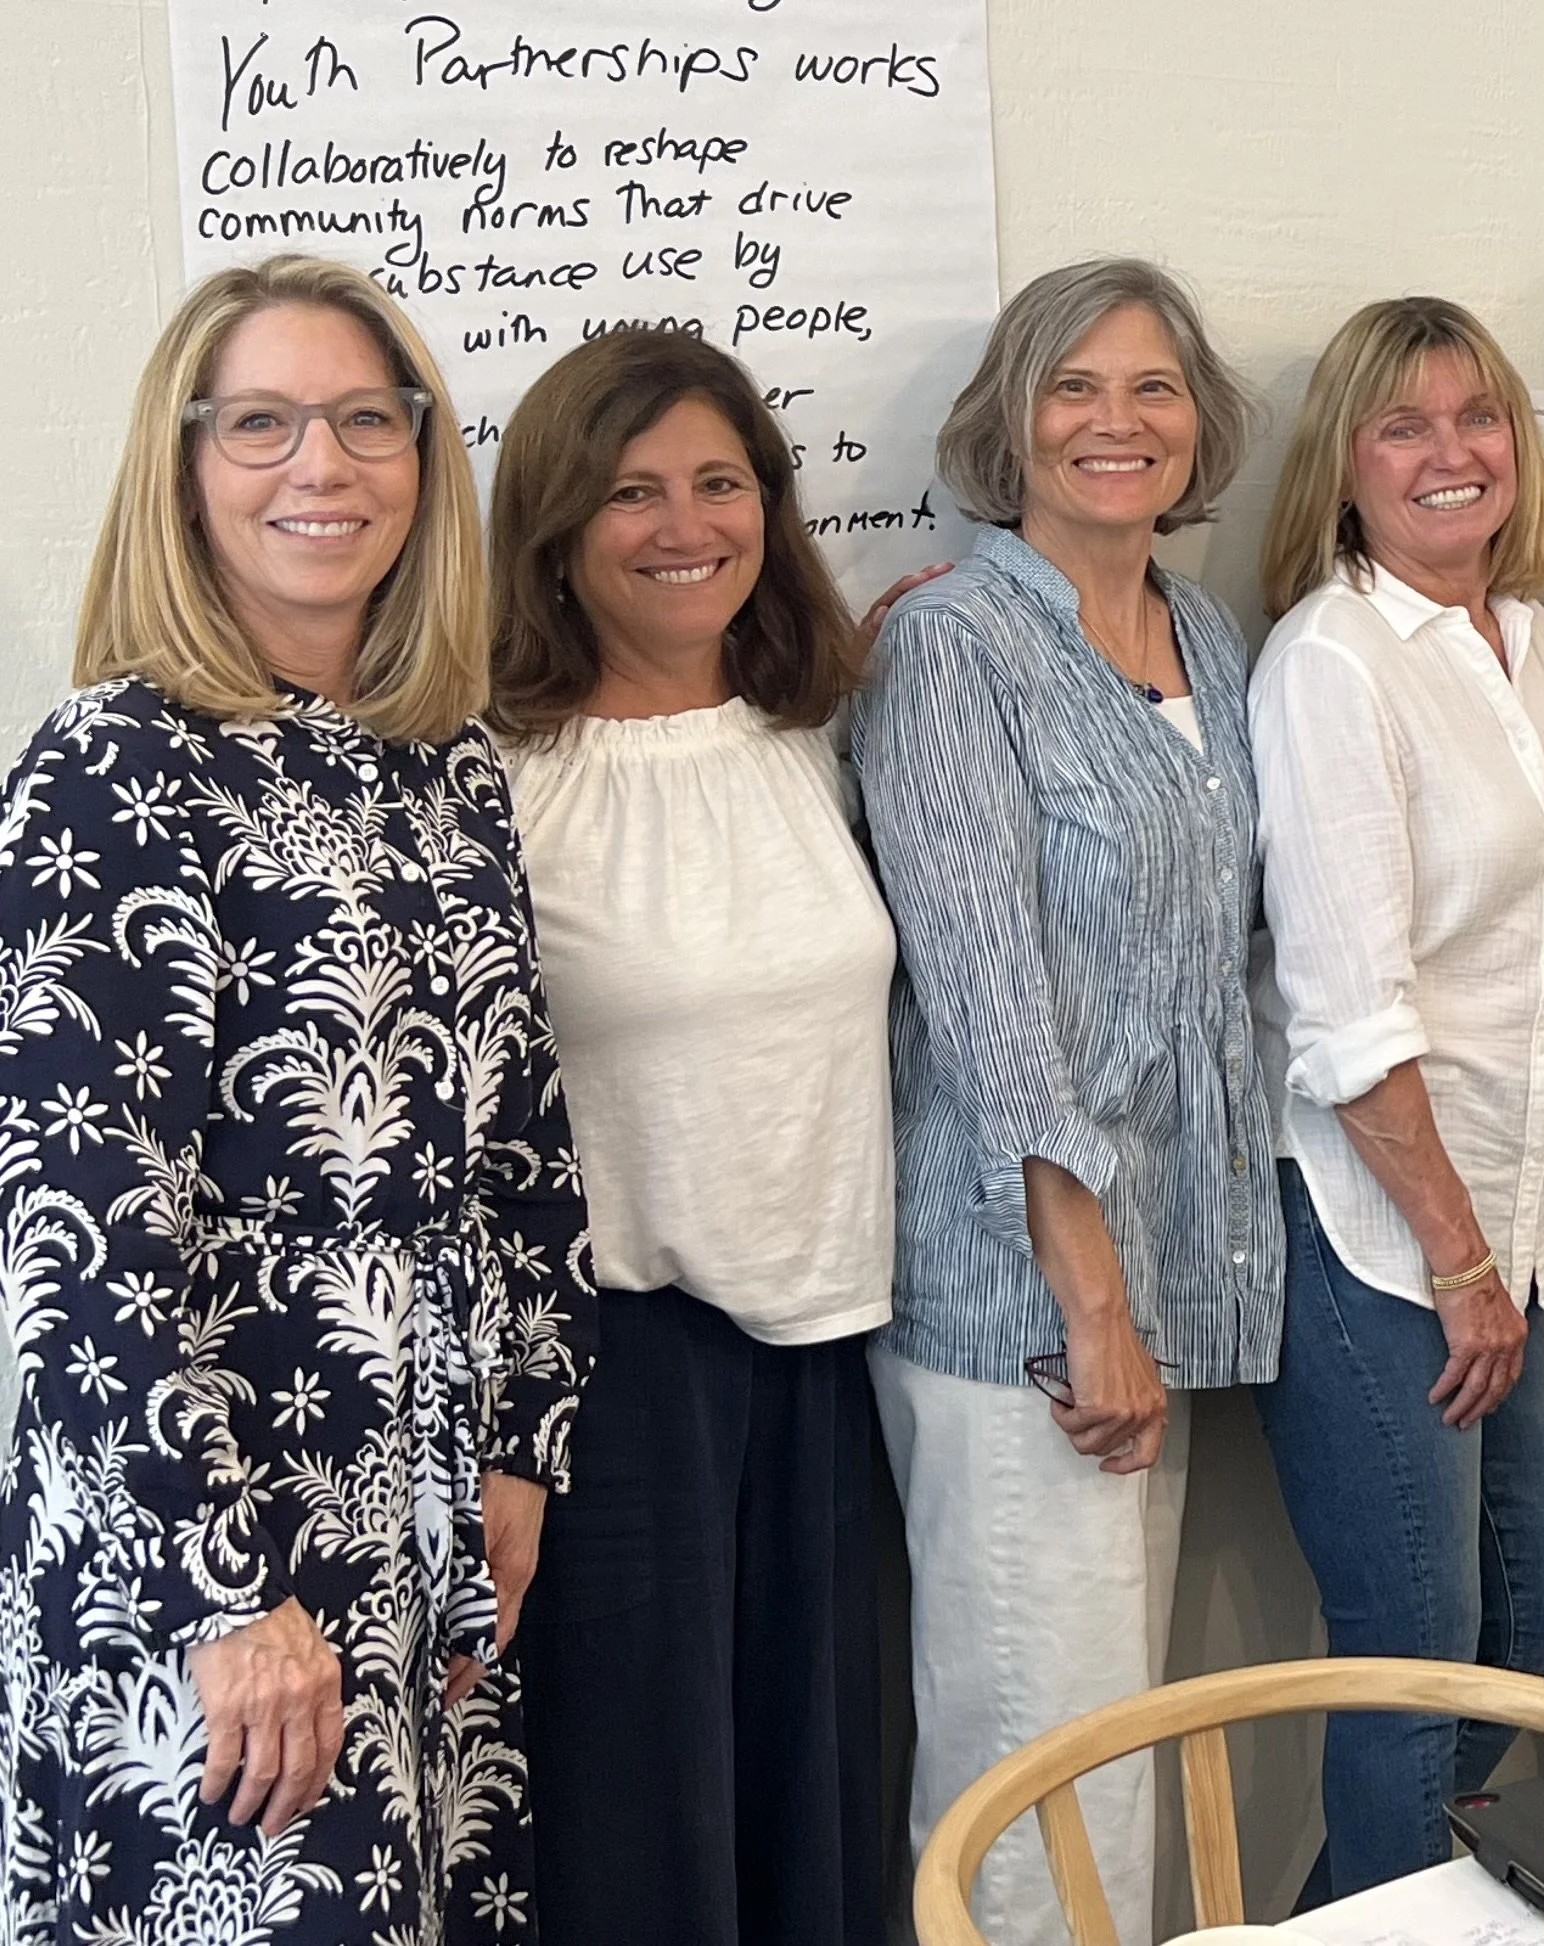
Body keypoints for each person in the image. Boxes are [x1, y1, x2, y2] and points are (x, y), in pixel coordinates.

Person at [0, 254, 593, 1946]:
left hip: (427, 1549)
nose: (318, 467)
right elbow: (79, 1230)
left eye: (361, 420)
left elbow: (524, 1156)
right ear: (183, 468)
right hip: (214, 1559)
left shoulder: (447, 763)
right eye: (259, 423)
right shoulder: (114, 762)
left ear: (421, 457)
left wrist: (521, 1450)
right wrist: (226, 1592)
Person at [488, 329, 934, 1946]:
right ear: (553, 525)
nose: (685, 524)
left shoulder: (814, 731)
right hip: (614, 1373)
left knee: (815, 1791)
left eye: (719, 482)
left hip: (824, 1335)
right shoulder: (491, 780)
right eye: (629, 492)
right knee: (640, 1827)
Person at [854, 258, 1280, 1946]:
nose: (1116, 423)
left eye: (1153, 388)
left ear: (1199, 426)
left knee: (1120, 1737)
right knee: (1033, 1762)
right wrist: (1087, 1302)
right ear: (1008, 423)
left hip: (1166, 1276)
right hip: (1019, 1300)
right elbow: (989, 1014)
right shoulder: (950, 646)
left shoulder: (1211, 636)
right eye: (1073, 388)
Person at [1249, 296, 1544, 1901]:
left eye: (1477, 416)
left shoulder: (1522, 638)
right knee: (1410, 1660)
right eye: (1403, 425)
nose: (1449, 452)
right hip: (1381, 1232)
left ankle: (1335, 1922)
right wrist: (1457, 1255)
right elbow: (1343, 1013)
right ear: (1343, 466)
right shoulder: (1331, 661)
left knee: (1543, 1623)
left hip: (1504, 1219)